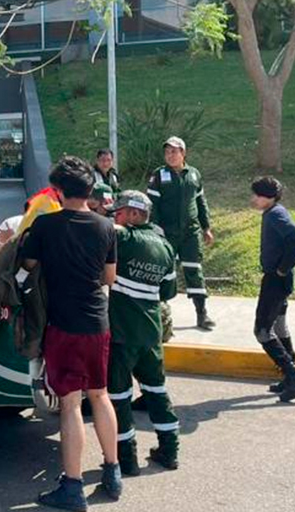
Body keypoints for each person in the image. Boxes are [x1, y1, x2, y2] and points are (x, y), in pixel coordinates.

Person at [21, 156, 122, 512]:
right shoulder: (105, 227)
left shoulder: (46, 226)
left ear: (59, 192)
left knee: (70, 404)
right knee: (100, 395)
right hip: (98, 322)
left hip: (63, 325)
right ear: (90, 191)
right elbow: (108, 278)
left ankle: (73, 486)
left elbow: (29, 265)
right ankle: (112, 471)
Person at [104, 190, 182, 474]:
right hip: (151, 333)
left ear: (134, 214)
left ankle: (127, 459)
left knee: (120, 396)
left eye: (120, 213)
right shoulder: (165, 246)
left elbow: (104, 230)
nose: (117, 218)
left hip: (122, 334)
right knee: (156, 391)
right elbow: (167, 292)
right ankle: (170, 450)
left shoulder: (126, 237)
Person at [251, 176, 295, 402]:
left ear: (269, 197)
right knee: (279, 326)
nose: (254, 199)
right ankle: (291, 377)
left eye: (257, 195)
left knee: (262, 331)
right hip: (280, 281)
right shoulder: (275, 212)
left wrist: (282, 269)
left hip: (276, 281)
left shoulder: (275, 215)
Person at [147, 136, 216, 330]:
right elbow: (153, 206)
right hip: (166, 234)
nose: (170, 155)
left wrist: (206, 227)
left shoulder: (193, 174)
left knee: (194, 271)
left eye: (174, 151)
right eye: (167, 151)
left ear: (183, 153)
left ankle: (202, 315)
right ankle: (161, 317)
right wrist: (155, 231)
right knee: (164, 273)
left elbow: (201, 203)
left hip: (190, 233)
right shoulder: (158, 175)